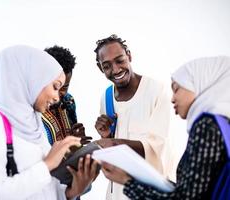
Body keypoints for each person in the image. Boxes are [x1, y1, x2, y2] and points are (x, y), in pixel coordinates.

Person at [0, 45, 98, 199]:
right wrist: (48, 165)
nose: (58, 97)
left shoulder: (33, 121)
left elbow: (45, 188)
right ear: (34, 80)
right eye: (55, 87)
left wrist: (72, 192)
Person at [101, 56, 230, 199]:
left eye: (177, 89)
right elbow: (194, 190)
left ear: (200, 84)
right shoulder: (223, 125)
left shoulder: (206, 125)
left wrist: (128, 181)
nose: (172, 98)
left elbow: (185, 197)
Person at [94, 34, 171, 200]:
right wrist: (107, 135)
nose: (115, 69)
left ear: (129, 55)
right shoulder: (106, 97)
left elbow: (158, 146)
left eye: (120, 60)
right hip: (117, 193)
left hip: (149, 191)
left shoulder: (156, 90)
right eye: (106, 66)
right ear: (100, 68)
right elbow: (111, 148)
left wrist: (115, 143)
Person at [42, 45, 86, 145]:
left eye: (65, 87)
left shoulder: (68, 100)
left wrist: (76, 141)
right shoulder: (31, 108)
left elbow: (73, 146)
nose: (58, 95)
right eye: (55, 86)